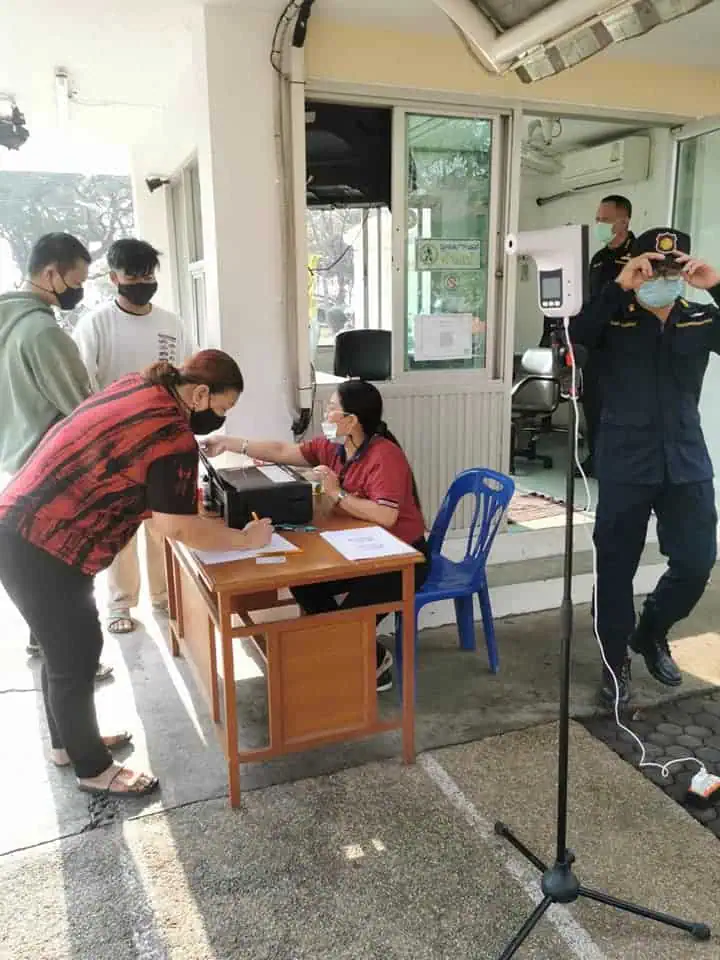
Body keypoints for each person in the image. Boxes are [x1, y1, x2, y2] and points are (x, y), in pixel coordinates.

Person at [0, 349, 271, 797]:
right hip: (43, 539)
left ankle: (69, 743)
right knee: (74, 652)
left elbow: (141, 481)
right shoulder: (172, 433)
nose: (219, 419)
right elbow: (175, 526)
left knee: (63, 646)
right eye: (221, 408)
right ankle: (93, 768)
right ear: (200, 393)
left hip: (26, 524)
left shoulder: (140, 387)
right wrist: (246, 540)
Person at [570, 228, 720, 707]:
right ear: (636, 267)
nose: (663, 276)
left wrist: (716, 286)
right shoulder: (613, 317)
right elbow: (576, 336)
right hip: (625, 461)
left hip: (685, 458)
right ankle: (616, 663)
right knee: (615, 568)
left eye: (672, 268)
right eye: (654, 266)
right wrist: (619, 286)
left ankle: (651, 630)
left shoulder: (700, 317)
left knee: (697, 561)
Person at [203, 379, 427, 692]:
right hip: (359, 546)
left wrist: (336, 494)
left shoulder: (384, 456)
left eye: (333, 408)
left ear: (352, 420)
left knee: (344, 624)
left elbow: (386, 516)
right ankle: (348, 647)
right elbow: (282, 450)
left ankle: (371, 663)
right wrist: (229, 442)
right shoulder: (334, 447)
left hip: (401, 558)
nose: (326, 413)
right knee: (304, 582)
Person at [0, 232, 111, 680]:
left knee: (44, 599)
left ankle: (47, 648)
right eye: (75, 280)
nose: (77, 291)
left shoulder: (8, 326)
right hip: (54, 483)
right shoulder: (44, 333)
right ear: (51, 273)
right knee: (72, 611)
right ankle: (72, 685)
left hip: (17, 469)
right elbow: (85, 414)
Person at [73, 238, 193, 636]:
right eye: (133, 275)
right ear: (114, 278)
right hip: (115, 444)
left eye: (148, 274)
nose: (142, 281)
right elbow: (81, 384)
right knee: (121, 528)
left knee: (164, 522)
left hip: (162, 439)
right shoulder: (96, 324)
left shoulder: (170, 323)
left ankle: (164, 596)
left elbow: (187, 375)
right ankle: (121, 603)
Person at [578, 195, 635, 477]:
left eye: (604, 219)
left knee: (621, 405)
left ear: (623, 222)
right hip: (597, 344)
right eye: (597, 218)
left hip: (626, 344)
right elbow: (592, 300)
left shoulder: (637, 255)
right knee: (594, 403)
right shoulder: (599, 259)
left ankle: (617, 461)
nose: (599, 224)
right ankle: (596, 457)